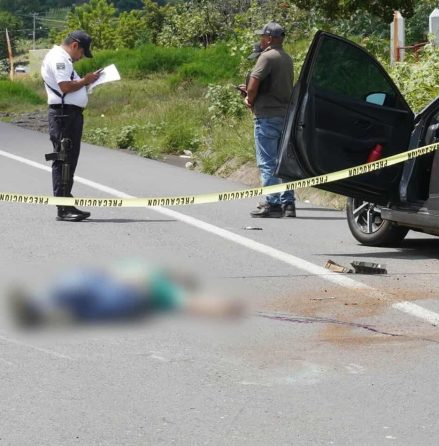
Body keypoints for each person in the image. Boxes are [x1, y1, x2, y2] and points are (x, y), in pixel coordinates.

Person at [8, 260, 244, 329]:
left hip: (120, 298)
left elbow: (193, 303)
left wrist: (224, 307)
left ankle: (40, 309)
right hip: (109, 290)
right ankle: (39, 309)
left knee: (80, 288)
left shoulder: (163, 287)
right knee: (78, 284)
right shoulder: (152, 274)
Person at [41, 30, 101, 222]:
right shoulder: (59, 58)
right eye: (82, 52)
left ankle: (66, 202)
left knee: (69, 159)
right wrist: (86, 80)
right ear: (75, 45)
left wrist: (85, 83)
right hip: (63, 115)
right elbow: (65, 86)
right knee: (64, 159)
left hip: (69, 114)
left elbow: (69, 85)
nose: (81, 57)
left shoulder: (64, 60)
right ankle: (63, 208)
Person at [244, 22, 296, 218]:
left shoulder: (266, 56)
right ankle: (288, 203)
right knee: (284, 161)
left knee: (267, 162)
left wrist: (249, 98)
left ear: (271, 38)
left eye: (263, 37)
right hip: (285, 116)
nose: (261, 40)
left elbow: (253, 84)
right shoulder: (286, 58)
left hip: (266, 115)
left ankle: (272, 203)